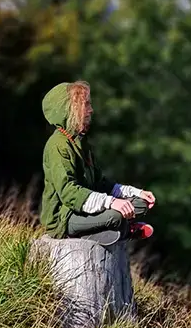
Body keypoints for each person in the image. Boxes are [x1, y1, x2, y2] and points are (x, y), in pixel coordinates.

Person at [39, 80, 156, 242]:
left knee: (141, 204)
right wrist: (112, 203)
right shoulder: (57, 146)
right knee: (115, 215)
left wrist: (136, 193)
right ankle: (122, 230)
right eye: (86, 105)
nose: (91, 111)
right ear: (70, 110)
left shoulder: (81, 142)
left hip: (87, 209)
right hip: (65, 217)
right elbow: (69, 192)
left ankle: (114, 228)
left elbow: (100, 183)